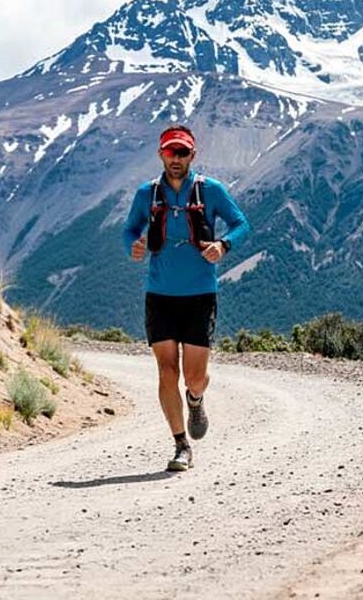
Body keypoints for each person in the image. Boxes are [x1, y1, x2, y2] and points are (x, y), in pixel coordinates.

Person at [123, 125, 250, 471]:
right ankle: (181, 445)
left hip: (200, 295)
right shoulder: (146, 194)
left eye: (182, 153)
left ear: (193, 155)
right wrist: (132, 246)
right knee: (167, 372)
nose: (175, 159)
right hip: (159, 294)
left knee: (194, 378)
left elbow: (241, 223)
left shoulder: (211, 190)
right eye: (170, 152)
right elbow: (129, 230)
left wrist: (223, 245)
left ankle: (196, 400)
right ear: (160, 154)